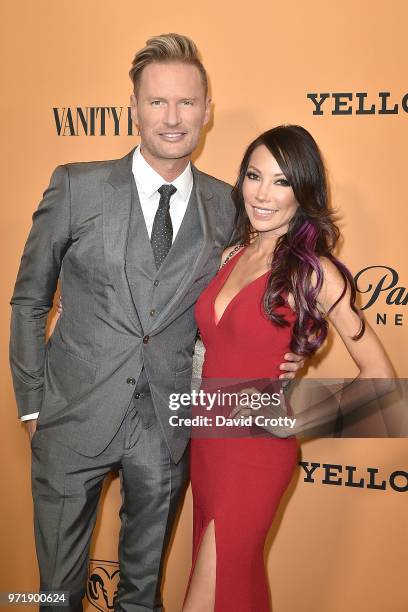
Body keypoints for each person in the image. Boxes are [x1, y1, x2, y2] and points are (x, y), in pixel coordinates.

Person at [8, 34, 303, 611]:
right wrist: (33, 407)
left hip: (169, 430)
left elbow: (263, 284)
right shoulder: (76, 185)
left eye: (187, 103)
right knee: (55, 595)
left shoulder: (230, 204)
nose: (173, 118)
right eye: (158, 102)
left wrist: (288, 350)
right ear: (134, 109)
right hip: (70, 422)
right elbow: (28, 302)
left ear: (207, 111)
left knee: (142, 596)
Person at [181, 125, 394, 611]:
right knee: (235, 587)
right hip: (207, 446)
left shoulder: (315, 271)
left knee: (209, 594)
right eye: (254, 176)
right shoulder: (231, 253)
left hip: (253, 457)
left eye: (281, 181)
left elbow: (380, 379)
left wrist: (295, 415)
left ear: (304, 191)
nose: (262, 193)